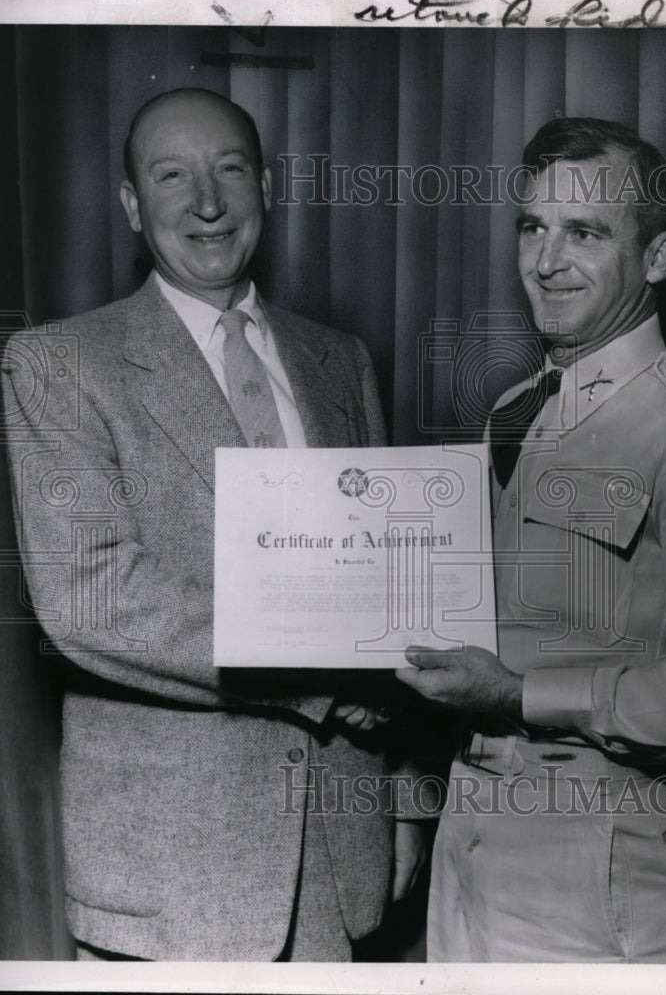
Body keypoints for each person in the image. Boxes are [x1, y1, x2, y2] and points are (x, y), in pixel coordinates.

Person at [1, 87, 425, 961]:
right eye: (172, 175)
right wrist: (321, 682)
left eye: (230, 169)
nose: (207, 202)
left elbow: (392, 588)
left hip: (344, 862)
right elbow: (91, 597)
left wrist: (406, 790)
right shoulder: (57, 364)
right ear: (130, 205)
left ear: (264, 187)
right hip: (173, 880)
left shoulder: (338, 359)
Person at [397, 117, 666, 963]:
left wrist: (520, 695)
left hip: (601, 865)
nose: (545, 261)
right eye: (533, 227)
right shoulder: (516, 412)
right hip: (469, 839)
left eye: (584, 233)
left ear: (657, 260)